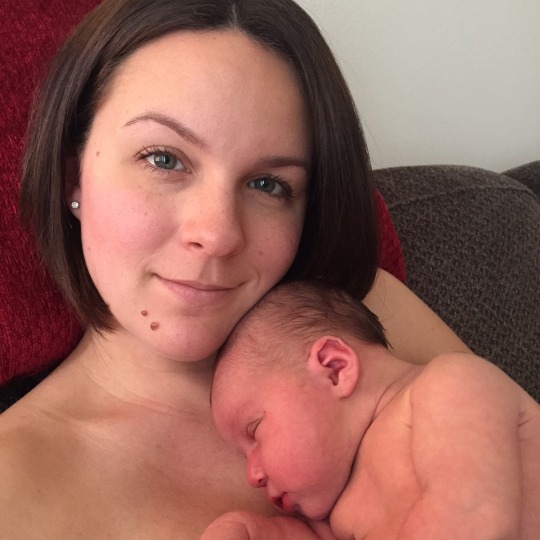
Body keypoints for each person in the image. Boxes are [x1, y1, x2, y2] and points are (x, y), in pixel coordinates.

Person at [0, 0, 470, 538]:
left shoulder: (364, 318)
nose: (219, 233)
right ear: (73, 179)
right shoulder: (15, 488)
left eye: (268, 185)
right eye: (164, 159)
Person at [207, 280, 540, 539]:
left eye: (255, 431)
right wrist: (248, 531)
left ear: (334, 368)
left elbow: (474, 517)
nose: (252, 477)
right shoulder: (341, 508)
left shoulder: (450, 386)